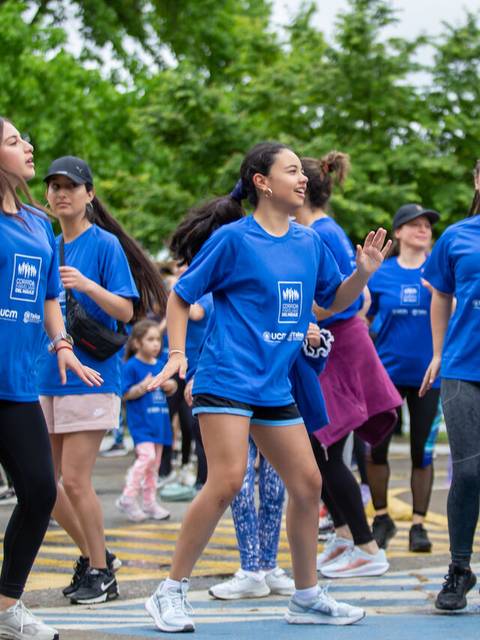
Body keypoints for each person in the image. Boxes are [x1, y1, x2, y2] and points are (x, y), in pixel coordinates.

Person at [144, 141, 392, 633]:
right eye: (293, 171)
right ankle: (168, 592)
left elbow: (328, 303)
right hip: (227, 377)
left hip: (273, 384)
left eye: (303, 172)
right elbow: (180, 295)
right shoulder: (234, 240)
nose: (304, 179)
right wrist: (176, 356)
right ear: (262, 182)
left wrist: (362, 274)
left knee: (307, 484)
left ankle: (305, 597)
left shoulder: (308, 242)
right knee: (228, 481)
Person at [37, 156, 167, 605]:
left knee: (74, 480)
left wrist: (87, 286)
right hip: (47, 372)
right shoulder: (48, 243)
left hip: (93, 375)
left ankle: (100, 572)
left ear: (89, 194)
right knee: (43, 483)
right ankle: (97, 557)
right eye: (53, 187)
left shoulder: (105, 244)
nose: (60, 194)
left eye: (70, 186)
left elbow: (128, 313)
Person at [0, 117, 102, 639]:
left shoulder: (38, 225)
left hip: (17, 385)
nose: (28, 146)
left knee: (40, 491)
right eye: (14, 141)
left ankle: (6, 607)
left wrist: (61, 342)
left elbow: (45, 297)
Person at [296, 153, 399, 578]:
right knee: (322, 453)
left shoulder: (323, 232)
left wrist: (301, 316)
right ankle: (343, 534)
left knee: (327, 451)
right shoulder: (315, 230)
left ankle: (367, 546)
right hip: (333, 349)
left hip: (339, 350)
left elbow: (351, 298)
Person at [208, 322, 332, 600]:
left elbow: (312, 365)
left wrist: (313, 345)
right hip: (236, 397)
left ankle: (268, 565)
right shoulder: (236, 293)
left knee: (275, 491)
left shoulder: (295, 298)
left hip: (280, 403)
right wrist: (192, 373)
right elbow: (211, 332)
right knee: (239, 485)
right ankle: (250, 568)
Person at [419, 182, 480, 610]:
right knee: (470, 471)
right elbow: (441, 295)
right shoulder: (457, 236)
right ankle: (460, 568)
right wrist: (438, 353)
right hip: (463, 368)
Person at [367, 204, 441, 552]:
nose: (422, 229)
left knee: (421, 454)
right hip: (386, 376)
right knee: (375, 450)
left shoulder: (441, 269)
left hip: (431, 377)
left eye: (426, 225)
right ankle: (381, 517)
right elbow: (361, 318)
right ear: (397, 233)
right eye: (414, 225)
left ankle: (418, 526)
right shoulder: (381, 273)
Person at [116, 319, 176, 521]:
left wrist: (170, 386)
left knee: (155, 465)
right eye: (150, 339)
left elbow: (172, 386)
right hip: (141, 423)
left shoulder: (161, 365)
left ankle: (149, 503)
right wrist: (143, 386)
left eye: (158, 339)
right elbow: (124, 394)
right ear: (136, 343)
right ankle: (128, 497)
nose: (156, 344)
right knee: (147, 457)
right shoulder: (131, 366)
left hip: (159, 423)